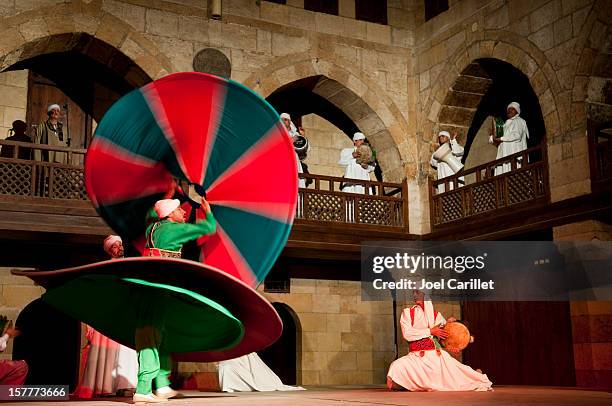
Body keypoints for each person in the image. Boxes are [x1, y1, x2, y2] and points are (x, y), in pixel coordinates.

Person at [133, 197, 217, 404]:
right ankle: (143, 389)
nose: (184, 213)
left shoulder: (152, 229)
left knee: (159, 331)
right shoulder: (174, 230)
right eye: (180, 210)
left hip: (150, 281)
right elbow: (209, 228)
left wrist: (167, 195)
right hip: (160, 283)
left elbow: (153, 214)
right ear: (170, 214)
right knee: (151, 332)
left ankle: (161, 385)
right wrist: (207, 211)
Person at [387, 291, 492, 392]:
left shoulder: (437, 316)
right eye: (413, 292)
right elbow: (408, 334)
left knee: (460, 378)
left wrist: (452, 344)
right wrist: (430, 331)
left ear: (426, 294)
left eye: (417, 292)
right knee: (395, 368)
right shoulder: (408, 313)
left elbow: (444, 339)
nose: (414, 295)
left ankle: (476, 375)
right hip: (416, 357)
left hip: (437, 357)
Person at [76, 235, 138, 398]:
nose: (120, 248)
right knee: (106, 350)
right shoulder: (105, 267)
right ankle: (105, 386)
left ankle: (127, 385)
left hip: (125, 311)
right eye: (115, 246)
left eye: (120, 244)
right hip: (109, 312)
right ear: (110, 250)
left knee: (127, 350)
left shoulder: (130, 265)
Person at [218, 352, 305, 392]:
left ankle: (232, 385)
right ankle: (228, 386)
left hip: (242, 353)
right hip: (231, 355)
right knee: (225, 366)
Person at [491, 102, 529, 175]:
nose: (509, 111)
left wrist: (501, 138)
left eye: (512, 109)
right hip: (504, 153)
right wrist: (493, 138)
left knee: (513, 171)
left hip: (512, 152)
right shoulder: (505, 124)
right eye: (508, 109)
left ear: (517, 111)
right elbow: (499, 139)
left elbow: (516, 135)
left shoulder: (519, 121)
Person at [280, 113, 307, 188]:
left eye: (285, 120)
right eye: (281, 120)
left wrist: (303, 137)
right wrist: (291, 140)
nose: (283, 122)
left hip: (294, 160)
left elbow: (304, 150)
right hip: (282, 160)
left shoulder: (296, 134)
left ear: (289, 122)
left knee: (296, 181)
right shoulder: (278, 133)